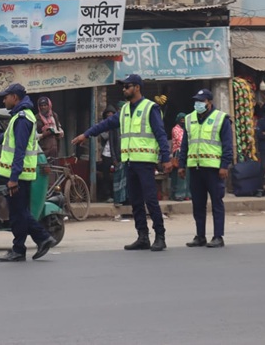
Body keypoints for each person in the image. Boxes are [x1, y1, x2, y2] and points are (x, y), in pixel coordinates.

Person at [72, 74, 172, 252]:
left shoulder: (151, 108)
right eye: (123, 86)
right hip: (129, 163)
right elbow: (105, 124)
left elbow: (161, 134)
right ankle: (142, 236)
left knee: (150, 201)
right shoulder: (125, 110)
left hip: (145, 162)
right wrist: (86, 134)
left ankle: (160, 236)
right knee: (135, 202)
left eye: (127, 86)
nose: (123, 89)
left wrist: (166, 158)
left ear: (137, 88)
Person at [0, 83, 56, 262]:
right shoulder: (20, 117)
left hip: (19, 176)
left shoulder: (22, 118)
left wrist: (13, 179)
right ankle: (20, 248)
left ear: (15, 97)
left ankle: (41, 239)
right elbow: (8, 139)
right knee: (19, 213)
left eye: (6, 96)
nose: (4, 100)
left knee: (19, 213)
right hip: (21, 175)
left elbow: (19, 150)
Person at [179, 89, 233, 248]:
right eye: (196, 101)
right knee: (198, 204)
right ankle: (200, 236)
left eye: (201, 101)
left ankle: (218, 236)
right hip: (195, 168)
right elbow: (185, 145)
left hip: (214, 169)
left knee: (217, 202)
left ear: (209, 102)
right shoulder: (189, 119)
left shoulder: (221, 119)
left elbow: (227, 145)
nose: (198, 104)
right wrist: (182, 165)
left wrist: (225, 165)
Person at [97, 105, 118, 203]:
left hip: (117, 154)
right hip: (106, 154)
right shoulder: (103, 125)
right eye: (108, 114)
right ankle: (107, 195)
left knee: (116, 175)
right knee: (106, 176)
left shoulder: (117, 125)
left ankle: (116, 194)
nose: (110, 116)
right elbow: (104, 136)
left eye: (112, 114)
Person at [170, 113, 190, 201]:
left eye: (184, 120)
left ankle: (187, 194)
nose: (183, 121)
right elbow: (180, 141)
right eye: (181, 120)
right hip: (178, 153)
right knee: (178, 176)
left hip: (186, 152)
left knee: (187, 174)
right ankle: (178, 194)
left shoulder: (186, 129)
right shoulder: (175, 129)